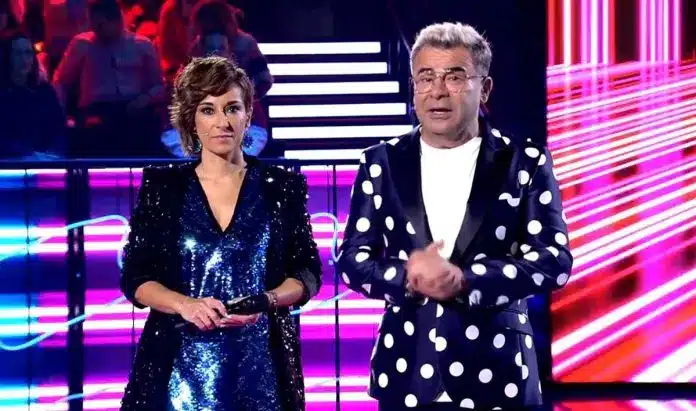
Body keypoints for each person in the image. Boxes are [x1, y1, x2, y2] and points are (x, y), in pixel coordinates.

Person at [337, 22, 572, 411]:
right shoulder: (381, 163)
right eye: (425, 78)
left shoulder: (525, 162)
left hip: (500, 374)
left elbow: (554, 261)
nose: (438, 91)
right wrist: (409, 276)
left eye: (455, 77)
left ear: (485, 88)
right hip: (407, 371)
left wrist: (465, 280)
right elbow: (351, 260)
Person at [119, 56, 322, 411]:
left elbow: (307, 272)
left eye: (232, 108)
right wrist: (186, 305)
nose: (222, 122)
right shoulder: (164, 188)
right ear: (191, 120)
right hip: (177, 375)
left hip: (263, 373)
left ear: (248, 115)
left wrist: (266, 300)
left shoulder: (282, 186)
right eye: (208, 110)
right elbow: (136, 278)